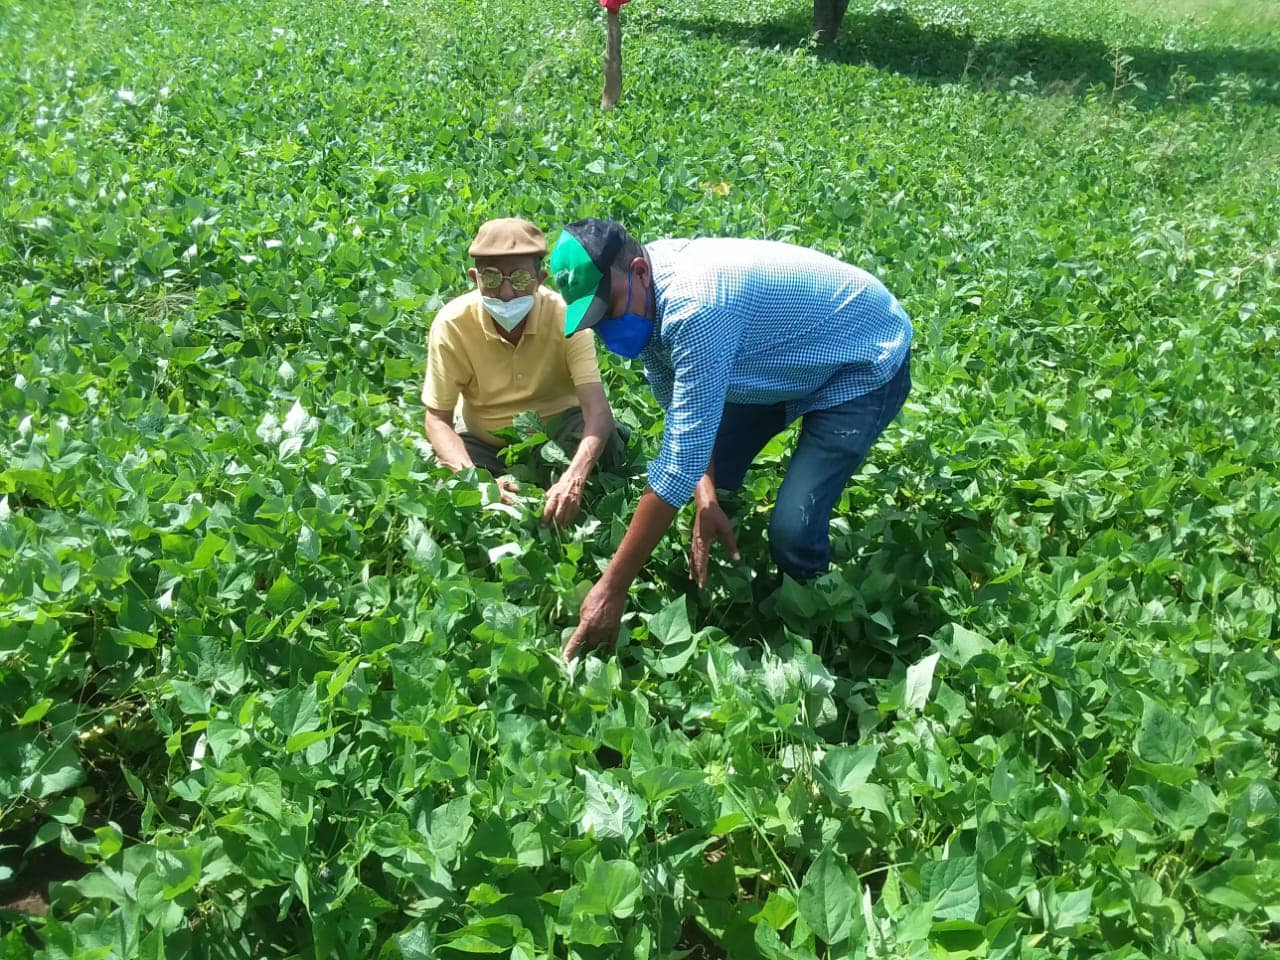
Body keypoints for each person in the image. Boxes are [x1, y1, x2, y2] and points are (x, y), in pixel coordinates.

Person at [550, 218, 913, 659]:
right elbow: (683, 416)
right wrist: (706, 497)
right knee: (713, 480)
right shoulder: (646, 301)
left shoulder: (695, 307)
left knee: (793, 530)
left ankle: (821, 628)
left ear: (640, 272)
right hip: (776, 358)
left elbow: (678, 467)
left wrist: (612, 588)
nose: (607, 328)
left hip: (863, 356)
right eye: (595, 321)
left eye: (608, 310)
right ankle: (742, 558)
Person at [422, 218, 624, 526]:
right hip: (484, 442)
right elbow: (437, 420)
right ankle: (507, 489)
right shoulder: (452, 325)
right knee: (447, 486)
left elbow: (598, 411)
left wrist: (574, 477)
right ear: (475, 278)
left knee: (606, 444)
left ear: (540, 279)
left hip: (558, 433)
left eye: (519, 279)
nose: (505, 292)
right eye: (491, 278)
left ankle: (554, 486)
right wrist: (475, 482)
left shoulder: (566, 317)